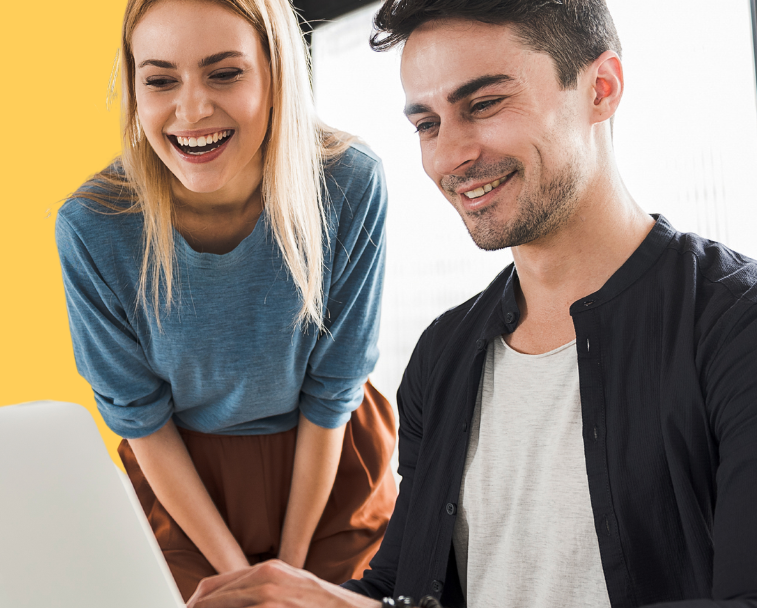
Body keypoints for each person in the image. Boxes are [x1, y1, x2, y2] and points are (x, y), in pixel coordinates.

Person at [187, 1, 757, 607]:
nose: (449, 156)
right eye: (427, 124)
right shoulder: (444, 354)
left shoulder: (734, 326)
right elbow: (402, 586)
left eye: (482, 105)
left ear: (602, 88)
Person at [54, 0, 397, 600]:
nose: (191, 110)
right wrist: (242, 575)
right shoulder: (93, 225)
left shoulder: (349, 182)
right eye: (160, 80)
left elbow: (332, 389)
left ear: (276, 72)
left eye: (225, 72)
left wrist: (288, 573)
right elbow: (141, 418)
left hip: (330, 462)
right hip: (184, 487)